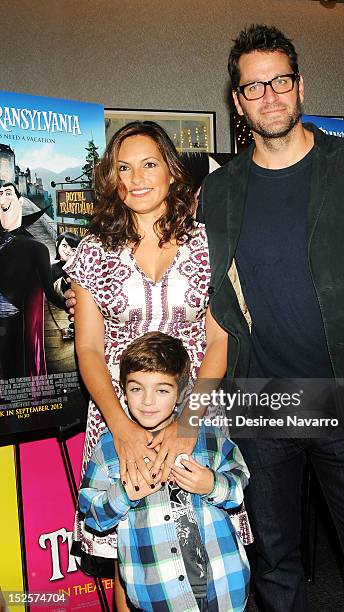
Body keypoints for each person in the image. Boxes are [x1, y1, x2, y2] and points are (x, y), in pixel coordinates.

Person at [198, 24, 344, 611]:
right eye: (253, 87)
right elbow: (212, 297)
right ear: (237, 102)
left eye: (280, 80)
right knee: (275, 568)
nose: (269, 95)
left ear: (299, 85)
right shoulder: (220, 191)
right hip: (259, 403)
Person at [64, 121, 228, 606]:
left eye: (149, 164)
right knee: (129, 551)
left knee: (200, 548)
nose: (136, 177)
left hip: (193, 412)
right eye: (123, 167)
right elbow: (89, 349)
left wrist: (189, 422)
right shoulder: (94, 251)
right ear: (111, 179)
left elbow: (219, 342)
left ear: (173, 173)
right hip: (119, 415)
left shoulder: (208, 244)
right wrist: (121, 428)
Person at [78, 331, 250, 612]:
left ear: (182, 392)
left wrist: (211, 484)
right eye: (136, 389)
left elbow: (238, 487)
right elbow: (93, 516)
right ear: (122, 389)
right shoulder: (109, 451)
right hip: (159, 595)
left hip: (224, 584)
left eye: (162, 390)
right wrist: (124, 493)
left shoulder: (207, 438)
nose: (147, 401)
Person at [0, 182, 64, 380]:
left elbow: (50, 293)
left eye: (7, 193)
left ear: (20, 201)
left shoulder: (37, 248)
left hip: (18, 329)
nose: (2, 198)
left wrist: (73, 304)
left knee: (16, 374)